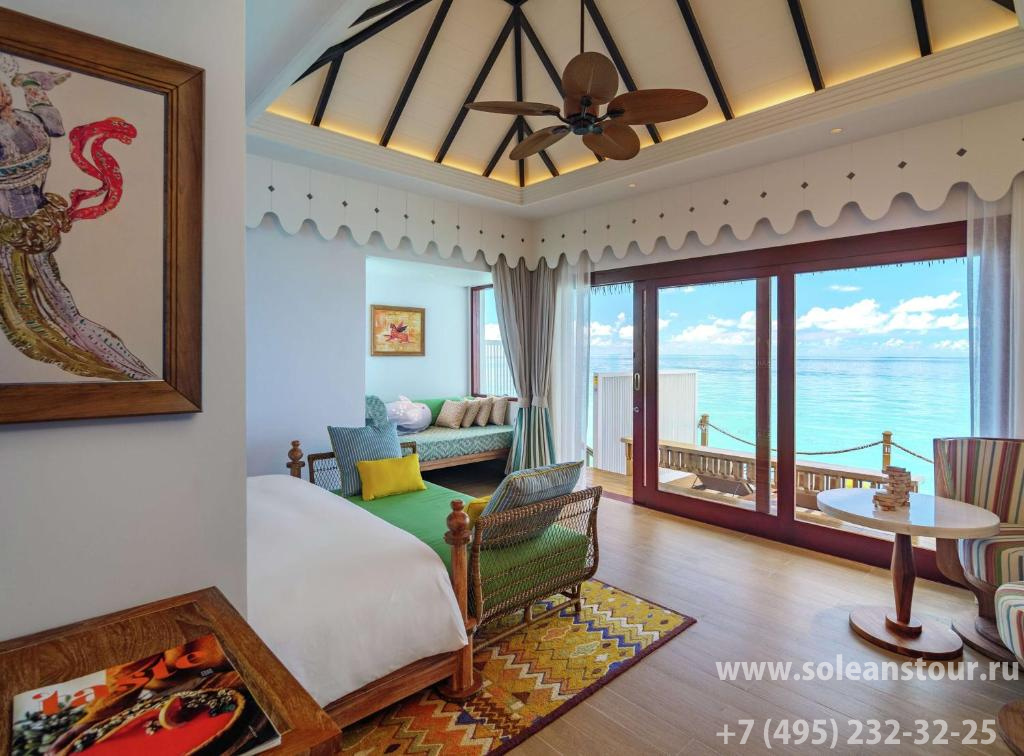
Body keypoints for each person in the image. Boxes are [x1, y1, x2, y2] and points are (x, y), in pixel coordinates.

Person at [0, 55, 155, 381]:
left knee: (59, 307)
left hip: (38, 224)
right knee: (40, 311)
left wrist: (33, 85)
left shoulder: (26, 120)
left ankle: (126, 368)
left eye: (1, 87)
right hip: (14, 232)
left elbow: (55, 125)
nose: (1, 94)